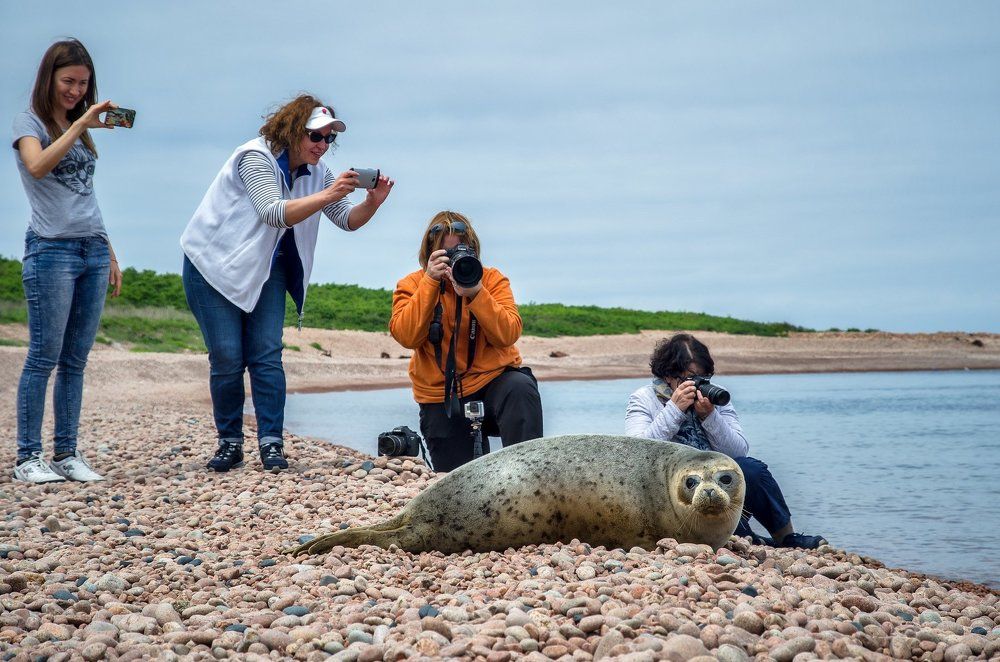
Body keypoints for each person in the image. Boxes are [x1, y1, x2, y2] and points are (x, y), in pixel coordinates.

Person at [180, 94, 393, 473]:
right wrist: (329, 193)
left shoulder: (319, 172)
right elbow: (272, 212)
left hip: (268, 267)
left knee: (266, 355)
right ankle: (230, 443)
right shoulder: (254, 156)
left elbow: (346, 219)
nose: (322, 145)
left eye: (329, 138)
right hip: (213, 267)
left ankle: (271, 443)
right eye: (316, 136)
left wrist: (372, 204)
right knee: (228, 357)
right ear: (293, 130)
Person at [11, 39, 125, 484]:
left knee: (76, 359)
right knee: (44, 356)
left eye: (83, 83)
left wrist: (108, 250)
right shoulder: (29, 122)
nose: (76, 91)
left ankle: (66, 453)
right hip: (51, 249)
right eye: (68, 81)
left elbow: (85, 196)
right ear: (49, 78)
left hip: (90, 248)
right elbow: (37, 166)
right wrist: (79, 125)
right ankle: (27, 457)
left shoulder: (80, 127)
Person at [625, 333, 826, 548]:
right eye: (690, 378)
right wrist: (674, 410)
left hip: (718, 480)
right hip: (674, 489)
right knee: (735, 534)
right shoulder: (644, 398)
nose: (698, 385)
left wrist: (710, 416)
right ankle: (748, 538)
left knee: (752, 469)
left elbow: (738, 451)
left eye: (703, 378)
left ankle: (785, 537)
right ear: (668, 375)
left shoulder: (715, 397)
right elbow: (638, 454)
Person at [389, 211, 543, 472]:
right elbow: (406, 336)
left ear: (473, 250)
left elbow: (508, 334)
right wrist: (430, 283)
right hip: (441, 395)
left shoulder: (491, 280)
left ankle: (528, 475)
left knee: (520, 387)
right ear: (430, 253)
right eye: (446, 254)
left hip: (493, 383)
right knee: (458, 480)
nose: (453, 261)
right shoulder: (412, 284)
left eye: (460, 252)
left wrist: (476, 293)